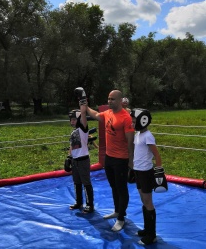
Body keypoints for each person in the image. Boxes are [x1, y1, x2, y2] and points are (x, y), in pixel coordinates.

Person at [86, 89, 134, 232]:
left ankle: (121, 218)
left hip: (121, 159)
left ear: (120, 101)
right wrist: (84, 106)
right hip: (109, 157)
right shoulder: (107, 114)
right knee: (113, 186)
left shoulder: (126, 118)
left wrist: (131, 161)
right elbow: (95, 114)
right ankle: (117, 210)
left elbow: (130, 142)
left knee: (121, 188)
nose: (109, 101)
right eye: (108, 98)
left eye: (112, 99)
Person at [130, 108, 164, 245]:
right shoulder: (138, 134)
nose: (132, 123)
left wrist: (159, 172)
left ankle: (152, 235)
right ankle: (146, 229)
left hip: (146, 172)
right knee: (143, 201)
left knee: (148, 202)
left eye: (134, 121)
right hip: (138, 171)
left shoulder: (148, 136)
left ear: (142, 121)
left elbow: (156, 155)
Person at [68, 103, 94, 214]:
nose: (72, 122)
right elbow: (72, 146)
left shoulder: (83, 130)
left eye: (74, 119)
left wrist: (82, 103)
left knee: (86, 182)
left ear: (79, 119)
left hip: (83, 160)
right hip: (75, 160)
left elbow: (83, 116)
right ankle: (79, 202)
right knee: (76, 182)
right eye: (71, 120)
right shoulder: (73, 132)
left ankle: (90, 205)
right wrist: (69, 158)